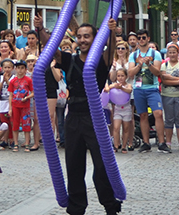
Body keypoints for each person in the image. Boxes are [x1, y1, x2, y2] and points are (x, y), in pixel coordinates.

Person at [56, 21, 120, 215]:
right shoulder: (70, 60)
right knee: (74, 166)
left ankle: (110, 204)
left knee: (102, 165)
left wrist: (110, 31)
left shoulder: (100, 61)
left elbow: (110, 52)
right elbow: (54, 52)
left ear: (94, 39)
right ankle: (76, 208)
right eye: (80, 36)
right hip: (73, 117)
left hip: (94, 118)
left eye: (87, 36)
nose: (82, 40)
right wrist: (41, 29)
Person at [127, 34, 164, 152]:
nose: (141, 40)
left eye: (143, 37)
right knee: (143, 115)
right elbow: (130, 73)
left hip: (152, 88)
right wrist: (139, 64)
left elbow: (157, 72)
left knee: (158, 113)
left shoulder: (155, 54)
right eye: (139, 38)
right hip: (139, 89)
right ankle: (146, 142)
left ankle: (161, 142)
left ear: (148, 39)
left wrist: (149, 64)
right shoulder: (133, 55)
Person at [159, 41, 179, 151]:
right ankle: (168, 142)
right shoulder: (164, 65)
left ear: (178, 53)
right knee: (169, 119)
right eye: (170, 52)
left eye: (174, 52)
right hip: (167, 95)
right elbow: (163, 80)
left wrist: (169, 77)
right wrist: (177, 80)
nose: (172, 54)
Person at [105, 67, 133, 153]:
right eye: (118, 76)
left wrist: (121, 88)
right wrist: (108, 87)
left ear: (126, 76)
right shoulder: (115, 85)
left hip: (127, 109)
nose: (120, 78)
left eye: (122, 76)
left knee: (126, 128)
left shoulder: (128, 85)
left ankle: (124, 146)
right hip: (117, 109)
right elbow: (107, 88)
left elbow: (129, 90)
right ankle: (116, 145)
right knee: (116, 128)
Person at [8, 60, 34, 151]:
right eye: (18, 68)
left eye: (22, 68)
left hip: (25, 106)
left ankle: (27, 143)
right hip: (15, 105)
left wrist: (27, 97)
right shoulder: (13, 81)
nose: (20, 70)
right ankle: (16, 143)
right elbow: (10, 95)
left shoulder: (28, 80)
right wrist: (10, 108)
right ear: (15, 69)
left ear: (25, 69)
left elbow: (33, 92)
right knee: (15, 125)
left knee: (26, 124)